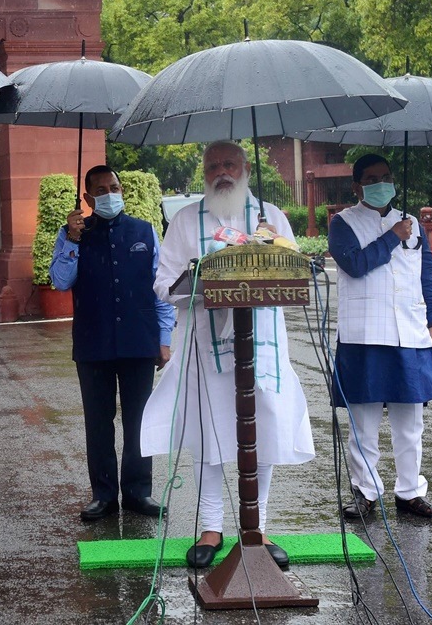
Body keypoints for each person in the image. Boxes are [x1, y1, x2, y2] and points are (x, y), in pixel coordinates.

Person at [141, 141, 314, 569]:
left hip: (262, 343)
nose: (222, 172)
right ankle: (210, 528)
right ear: (204, 173)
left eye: (230, 165)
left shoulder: (270, 216)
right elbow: (163, 283)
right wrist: (199, 280)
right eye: (213, 166)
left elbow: (295, 268)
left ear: (246, 168)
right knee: (210, 432)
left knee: (264, 429)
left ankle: (257, 527)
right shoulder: (185, 220)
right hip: (205, 347)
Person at [329, 153, 432, 520]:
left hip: (409, 333)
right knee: (364, 423)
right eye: (372, 179)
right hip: (364, 334)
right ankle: (365, 492)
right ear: (357, 187)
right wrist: (391, 237)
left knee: (410, 423)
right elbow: (354, 265)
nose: (381, 184)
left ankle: (410, 492)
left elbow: (425, 278)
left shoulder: (412, 223)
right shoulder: (343, 223)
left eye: (386, 176)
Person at [49, 165, 176, 522]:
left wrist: (164, 338)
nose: (109, 195)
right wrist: (72, 241)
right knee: (98, 422)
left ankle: (138, 492)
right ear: (88, 198)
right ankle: (103, 495)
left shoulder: (144, 231)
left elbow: (161, 288)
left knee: (139, 419)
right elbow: (60, 281)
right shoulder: (73, 234)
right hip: (93, 341)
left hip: (139, 340)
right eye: (101, 190)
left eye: (114, 188)